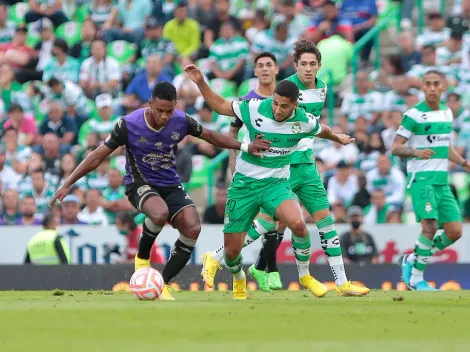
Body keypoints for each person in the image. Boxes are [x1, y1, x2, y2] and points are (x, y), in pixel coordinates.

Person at [50, 81, 270, 300]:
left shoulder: (181, 120)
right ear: (149, 104)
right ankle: (142, 258)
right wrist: (68, 183)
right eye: (159, 111)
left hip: (170, 183)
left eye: (169, 111)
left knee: (193, 228)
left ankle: (161, 283)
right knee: (160, 213)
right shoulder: (128, 124)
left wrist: (244, 146)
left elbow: (210, 136)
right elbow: (98, 155)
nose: (164, 116)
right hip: (139, 183)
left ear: (175, 105)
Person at [185, 63, 368, 300]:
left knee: (299, 225)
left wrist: (337, 137)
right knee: (232, 254)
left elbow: (322, 129)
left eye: (284, 106)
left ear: (295, 105)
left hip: (276, 184)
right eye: (276, 103)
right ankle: (234, 273)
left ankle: (304, 276)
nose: (278, 110)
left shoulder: (303, 121)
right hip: (245, 186)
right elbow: (220, 106)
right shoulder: (254, 109)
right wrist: (200, 81)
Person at [392, 70, 469, 291]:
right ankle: (416, 279)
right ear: (423, 88)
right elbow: (395, 147)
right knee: (430, 226)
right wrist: (416, 152)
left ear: (444, 86)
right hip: (422, 179)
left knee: (455, 231)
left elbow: (446, 147)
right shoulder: (413, 114)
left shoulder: (446, 113)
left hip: (441, 180)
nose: (433, 88)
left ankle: (412, 260)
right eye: (428, 84)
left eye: (437, 83)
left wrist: (464, 163)